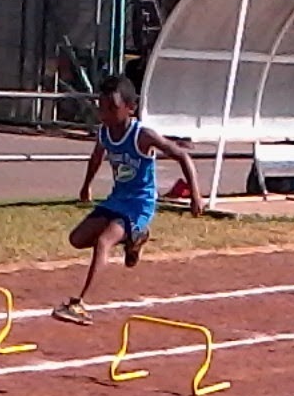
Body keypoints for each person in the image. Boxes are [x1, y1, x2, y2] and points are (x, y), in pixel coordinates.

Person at [54, 75, 202, 325]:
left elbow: (182, 156)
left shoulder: (142, 135)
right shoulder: (104, 133)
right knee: (77, 239)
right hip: (117, 199)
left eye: (111, 108)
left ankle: (79, 303)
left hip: (139, 204)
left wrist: (195, 196)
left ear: (130, 108)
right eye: (101, 108)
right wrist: (86, 185)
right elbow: (96, 157)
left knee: (104, 242)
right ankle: (134, 238)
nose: (105, 114)